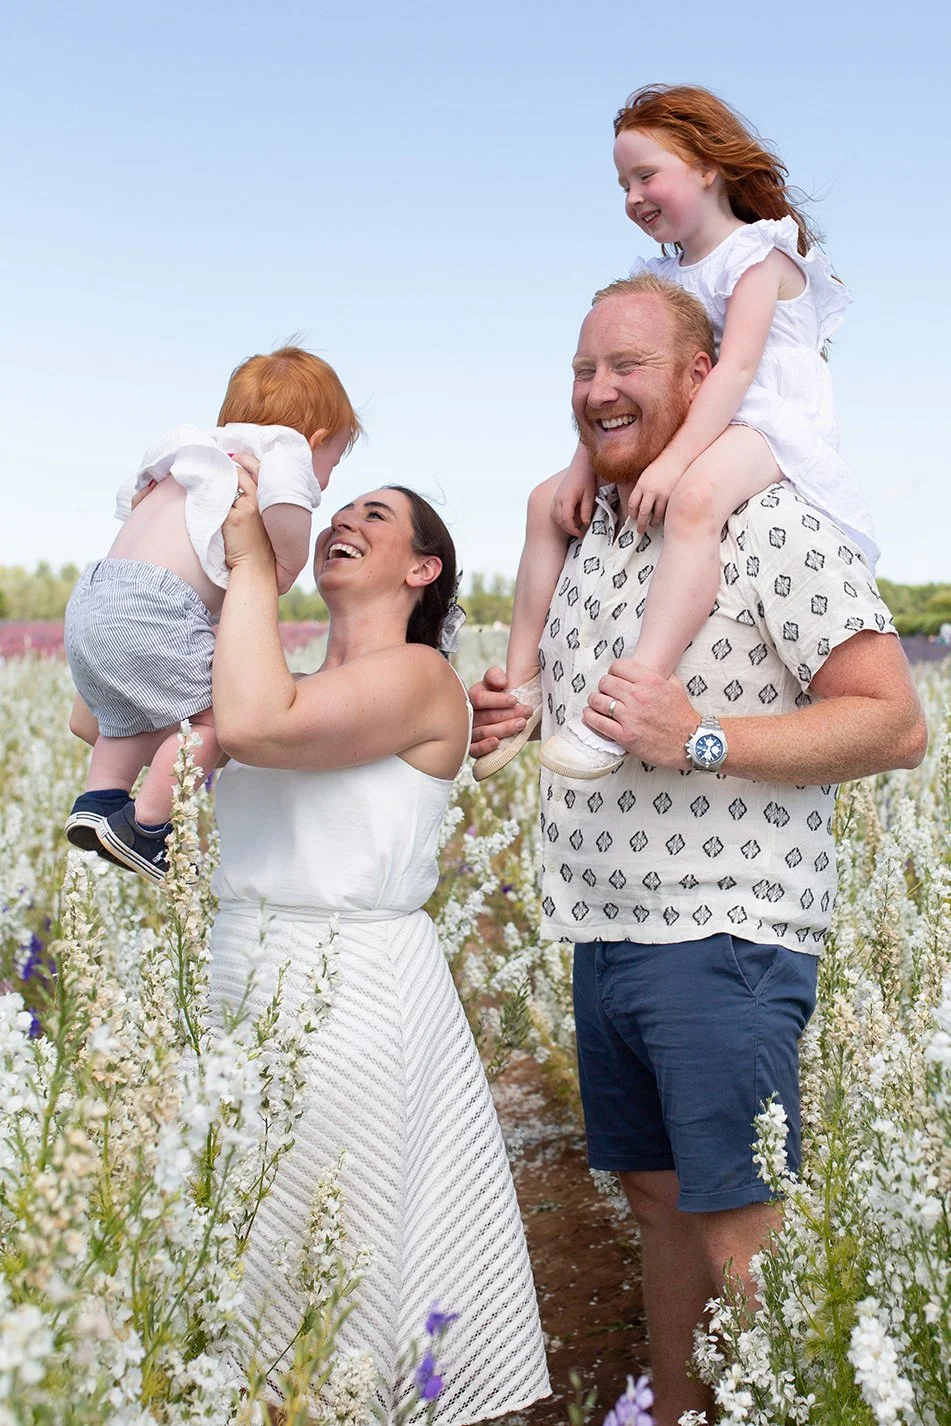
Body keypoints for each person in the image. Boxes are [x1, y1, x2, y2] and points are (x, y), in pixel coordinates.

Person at [469, 276, 926, 1426]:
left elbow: (894, 721)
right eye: (582, 370)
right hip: (605, 931)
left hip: (723, 934)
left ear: (702, 374)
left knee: (739, 1223)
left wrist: (702, 736)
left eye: (627, 365)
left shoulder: (772, 522)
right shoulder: (594, 532)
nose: (598, 390)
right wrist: (510, 709)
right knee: (662, 1202)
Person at [208, 475, 550, 1421]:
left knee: (332, 1239)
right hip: (238, 969)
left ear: (421, 568)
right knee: (227, 1242)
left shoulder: (420, 677)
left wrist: (247, 562)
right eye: (337, 509)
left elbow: (250, 728)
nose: (342, 523)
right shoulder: (281, 680)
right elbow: (95, 718)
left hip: (351, 989)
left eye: (376, 516)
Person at [474, 83, 878, 783]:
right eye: (622, 183)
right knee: (545, 502)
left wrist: (671, 465)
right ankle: (521, 683)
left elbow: (735, 371)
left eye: (645, 175)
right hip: (706, 418)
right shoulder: (655, 273)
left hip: (771, 419)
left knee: (693, 503)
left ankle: (628, 697)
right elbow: (616, 379)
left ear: (706, 167)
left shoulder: (759, 253)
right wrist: (582, 463)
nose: (632, 196)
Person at [63, 345, 360, 882]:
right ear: (315, 441)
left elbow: (130, 503)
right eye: (333, 463)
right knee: (223, 714)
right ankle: (150, 825)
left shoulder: (191, 452)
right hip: (155, 606)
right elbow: (288, 509)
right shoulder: (282, 451)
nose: (327, 479)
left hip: (94, 596)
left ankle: (98, 803)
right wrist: (286, 564)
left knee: (123, 714)